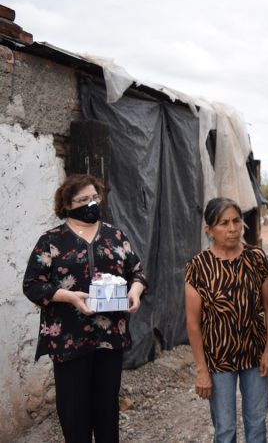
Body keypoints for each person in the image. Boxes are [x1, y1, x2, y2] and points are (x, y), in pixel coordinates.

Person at [22, 173, 147, 443]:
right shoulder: (52, 241)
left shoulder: (116, 236)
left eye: (95, 197)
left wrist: (135, 292)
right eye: (83, 199)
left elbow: (137, 273)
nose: (91, 204)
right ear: (67, 205)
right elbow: (32, 284)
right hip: (69, 339)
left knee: (106, 412)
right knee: (74, 415)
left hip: (109, 337)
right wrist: (68, 296)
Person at [185, 197, 268, 443]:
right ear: (209, 229)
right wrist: (202, 370)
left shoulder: (256, 258)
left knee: (257, 424)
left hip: (255, 354)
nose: (233, 228)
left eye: (236, 221)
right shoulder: (198, 266)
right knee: (225, 429)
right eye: (224, 223)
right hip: (218, 358)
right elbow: (193, 324)